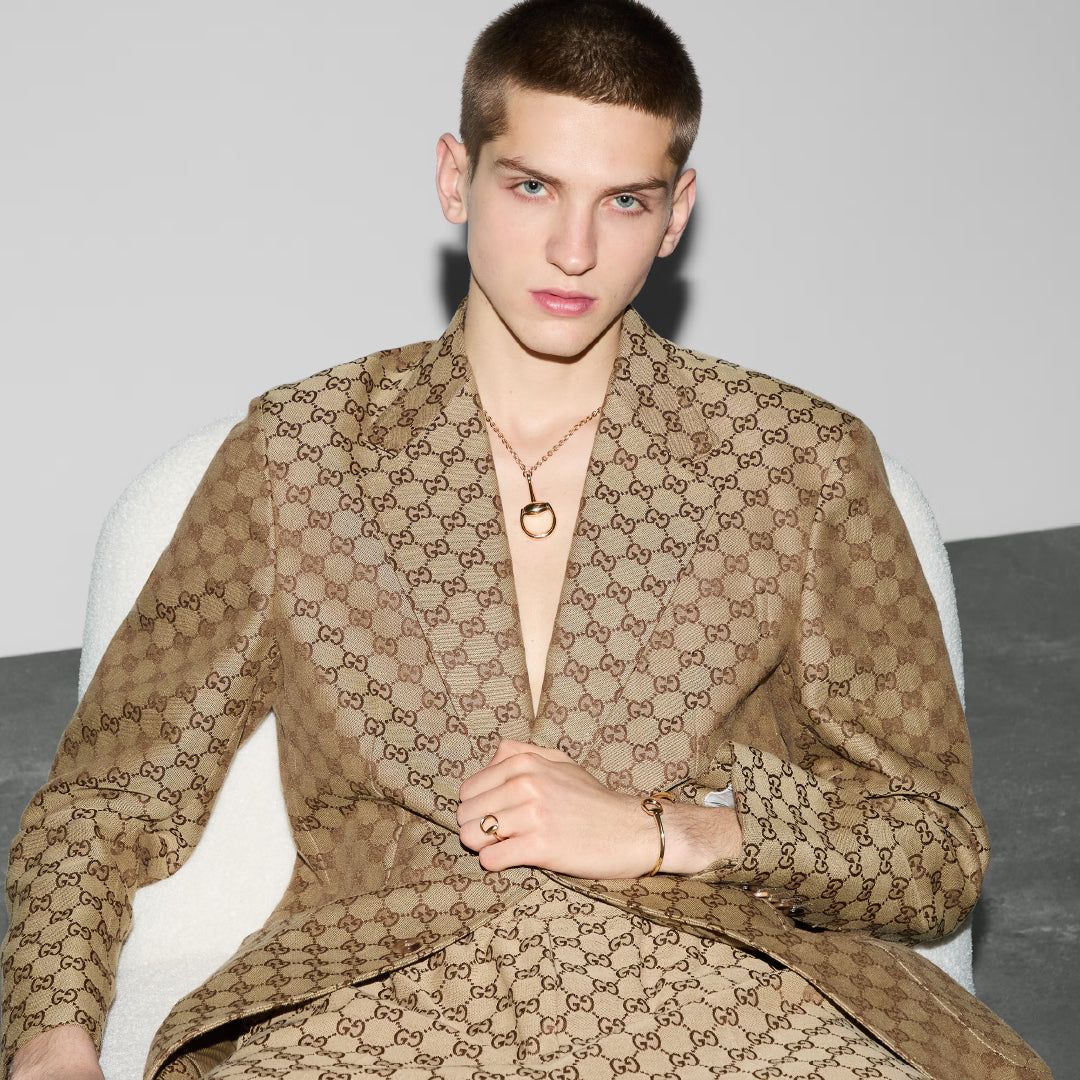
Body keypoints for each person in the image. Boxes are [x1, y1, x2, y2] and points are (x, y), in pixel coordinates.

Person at [1, 2, 1051, 1078]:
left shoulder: (797, 461)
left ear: (677, 213)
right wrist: (51, 1037)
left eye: (625, 200)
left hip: (728, 1000)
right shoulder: (299, 455)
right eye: (533, 187)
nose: (574, 250)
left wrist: (670, 831)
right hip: (371, 1013)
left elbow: (934, 850)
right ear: (455, 178)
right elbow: (106, 799)